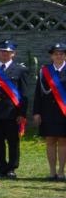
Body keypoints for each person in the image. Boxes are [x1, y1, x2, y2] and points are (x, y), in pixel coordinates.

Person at [0, 40, 29, 178]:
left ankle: (12, 168)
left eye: (7, 52)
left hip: (12, 112)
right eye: (2, 51)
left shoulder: (20, 70)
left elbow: (24, 93)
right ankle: (0, 167)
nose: (4, 54)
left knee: (13, 142)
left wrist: (22, 113)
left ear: (13, 53)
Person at [34, 42, 66, 181]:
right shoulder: (44, 71)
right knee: (50, 141)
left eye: (61, 54)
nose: (58, 56)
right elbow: (38, 94)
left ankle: (61, 171)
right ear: (51, 56)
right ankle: (52, 172)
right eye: (56, 54)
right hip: (48, 112)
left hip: (64, 112)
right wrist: (36, 112)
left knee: (63, 142)